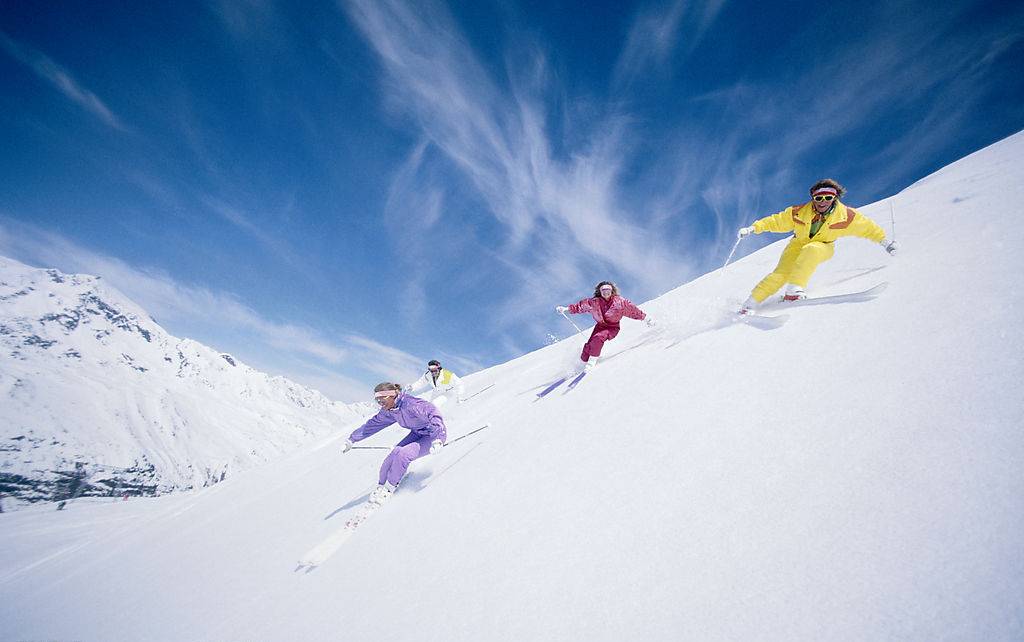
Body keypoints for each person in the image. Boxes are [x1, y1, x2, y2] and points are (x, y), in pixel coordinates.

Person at [736, 179, 897, 313]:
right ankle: (750, 303)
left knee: (811, 249)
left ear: (834, 198)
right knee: (780, 274)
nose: (823, 202)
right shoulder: (798, 212)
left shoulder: (846, 216)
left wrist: (886, 243)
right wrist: (753, 228)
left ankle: (794, 290)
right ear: (813, 198)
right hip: (797, 244)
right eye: (818, 198)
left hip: (824, 246)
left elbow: (868, 228)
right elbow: (775, 221)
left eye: (827, 197)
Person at [341, 382, 447, 504]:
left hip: (433, 435)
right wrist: (352, 439)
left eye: (382, 399)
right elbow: (372, 425)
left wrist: (438, 438)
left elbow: (432, 412)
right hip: (417, 433)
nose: (380, 403)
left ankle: (389, 489)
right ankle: (381, 486)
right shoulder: (390, 410)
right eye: (377, 400)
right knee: (394, 453)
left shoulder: (411, 404)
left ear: (392, 395)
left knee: (404, 454)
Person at [556, 281, 653, 374]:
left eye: (608, 291)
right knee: (588, 349)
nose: (606, 293)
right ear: (600, 292)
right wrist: (566, 309)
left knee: (598, 338)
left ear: (612, 292)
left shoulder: (620, 302)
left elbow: (633, 311)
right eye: (603, 291)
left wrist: (647, 319)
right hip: (600, 326)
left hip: (612, 327)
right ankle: (582, 363)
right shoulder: (593, 302)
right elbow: (580, 306)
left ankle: (591, 363)